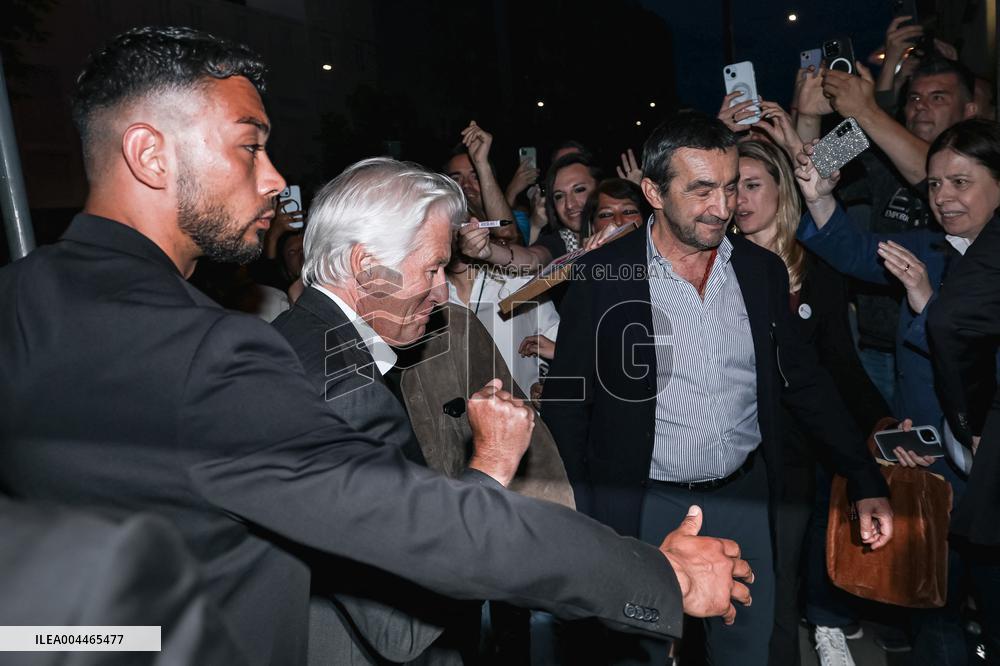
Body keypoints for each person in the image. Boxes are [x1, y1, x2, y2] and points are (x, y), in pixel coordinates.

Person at [0, 27, 755, 666]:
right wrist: (659, 576)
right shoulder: (218, 356)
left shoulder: (22, 300)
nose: (274, 179)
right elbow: (430, 559)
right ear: (151, 154)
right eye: (249, 146)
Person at [542, 111, 893, 666]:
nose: (723, 206)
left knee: (749, 648)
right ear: (653, 191)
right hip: (645, 498)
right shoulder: (604, 277)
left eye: (730, 187)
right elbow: (569, 404)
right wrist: (582, 513)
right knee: (641, 650)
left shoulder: (760, 272)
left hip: (744, 494)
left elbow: (804, 382)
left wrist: (864, 474)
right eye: (701, 189)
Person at [795, 118, 1000, 666]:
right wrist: (817, 196)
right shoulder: (935, 246)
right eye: (934, 184)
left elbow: (975, 363)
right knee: (934, 608)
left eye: (961, 181)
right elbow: (856, 251)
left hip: (986, 476)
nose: (943, 197)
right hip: (931, 466)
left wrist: (926, 303)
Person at [732, 140, 891, 666]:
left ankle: (824, 626)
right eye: (733, 187)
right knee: (748, 585)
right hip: (741, 452)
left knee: (790, 567)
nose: (739, 200)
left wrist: (881, 425)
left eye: (752, 185)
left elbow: (837, 367)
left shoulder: (816, 266)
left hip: (805, 443)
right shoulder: (718, 267)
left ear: (782, 189)